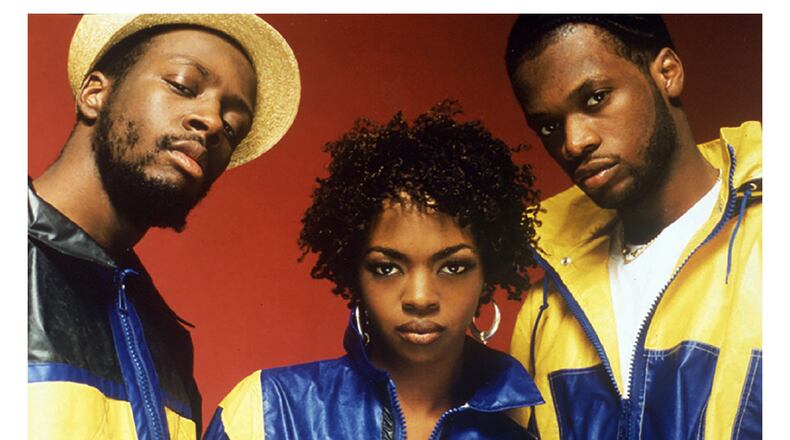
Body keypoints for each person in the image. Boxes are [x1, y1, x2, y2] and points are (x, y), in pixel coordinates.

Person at [28, 14, 300, 439]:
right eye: (183, 85)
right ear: (95, 93)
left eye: (232, 127)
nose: (211, 121)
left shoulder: (165, 340)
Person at [204, 102, 544, 439]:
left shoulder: (527, 426)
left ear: (488, 274)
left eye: (453, 267)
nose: (420, 297)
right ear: (354, 275)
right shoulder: (268, 413)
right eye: (387, 268)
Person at [505, 14, 761, 439]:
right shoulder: (545, 305)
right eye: (549, 126)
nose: (574, 142)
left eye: (595, 99)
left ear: (667, 73)